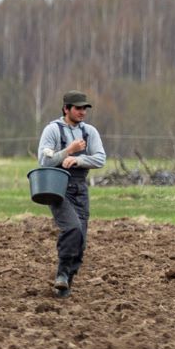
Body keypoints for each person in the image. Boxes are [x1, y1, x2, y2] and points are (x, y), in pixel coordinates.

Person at [37, 91, 106, 297]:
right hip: (58, 188)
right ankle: (62, 275)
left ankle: (66, 283)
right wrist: (69, 151)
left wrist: (79, 159)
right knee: (73, 228)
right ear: (66, 109)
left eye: (84, 108)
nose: (82, 112)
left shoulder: (90, 132)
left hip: (80, 189)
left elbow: (100, 159)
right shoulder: (52, 130)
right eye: (78, 108)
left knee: (81, 241)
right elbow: (44, 161)